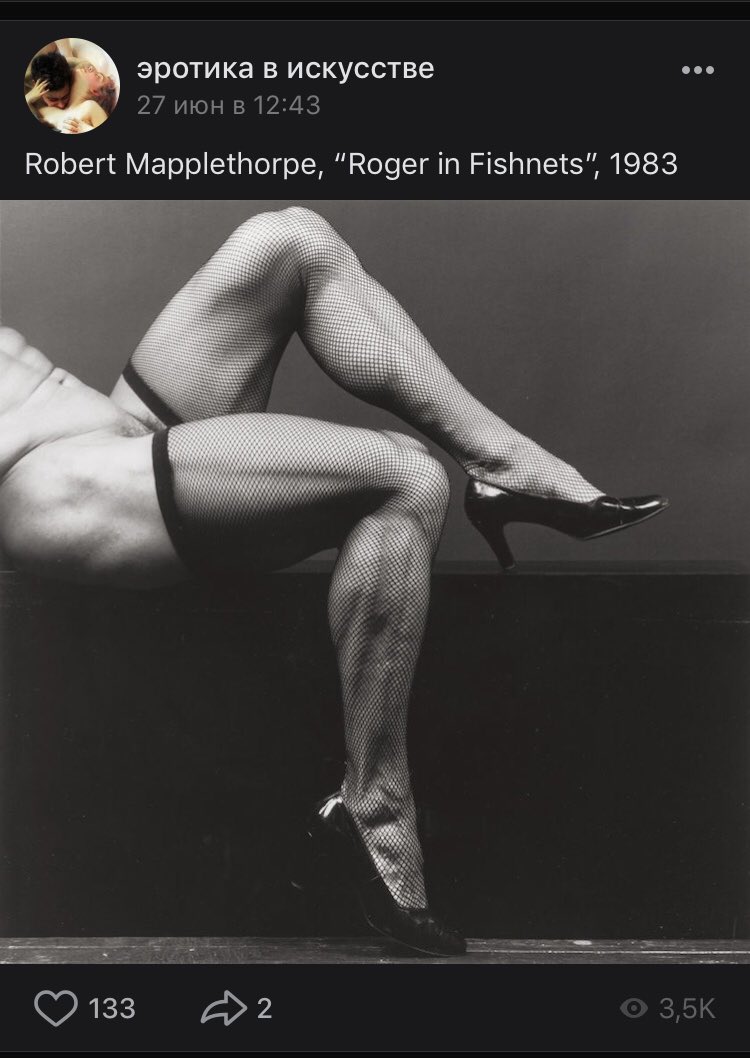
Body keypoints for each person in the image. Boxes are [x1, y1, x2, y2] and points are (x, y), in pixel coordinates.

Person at [0, 207, 667, 956]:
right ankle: (375, 808)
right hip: (54, 487)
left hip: (120, 430)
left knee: (289, 239)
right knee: (406, 476)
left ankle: (504, 463)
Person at [25, 44, 116, 132]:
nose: (91, 68)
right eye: (53, 99)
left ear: (95, 92)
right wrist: (28, 98)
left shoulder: (91, 107)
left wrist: (86, 129)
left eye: (98, 76)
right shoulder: (45, 110)